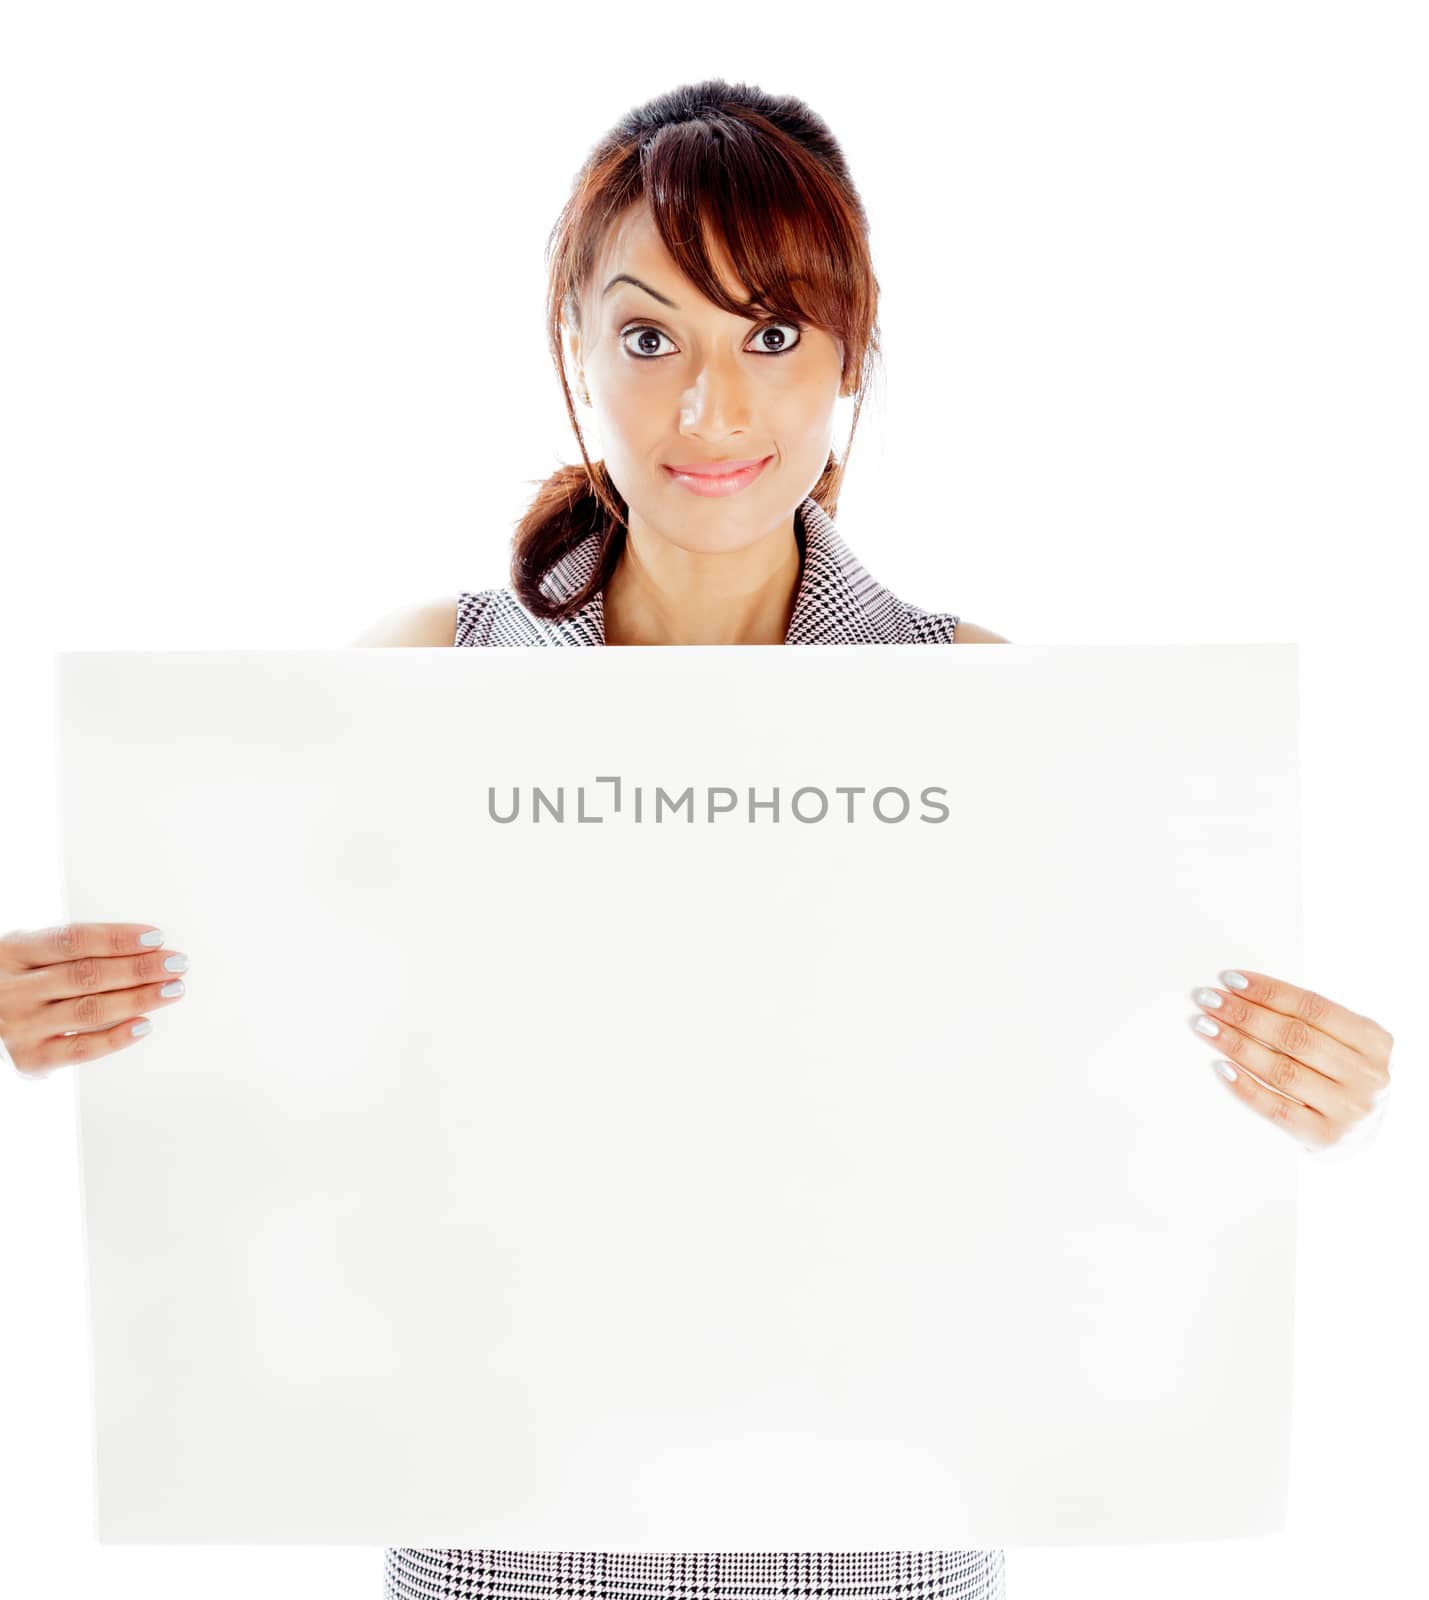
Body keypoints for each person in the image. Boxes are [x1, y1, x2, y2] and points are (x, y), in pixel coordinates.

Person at [1, 77, 1394, 1600]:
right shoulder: (422, 684)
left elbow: (1097, 1110)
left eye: (771, 337)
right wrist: (82, 1017)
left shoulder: (983, 709)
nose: (708, 410)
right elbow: (286, 1084)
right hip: (498, 1527)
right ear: (578, 354)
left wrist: (1287, 1090)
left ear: (848, 356)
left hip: (879, 1533)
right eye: (649, 335)